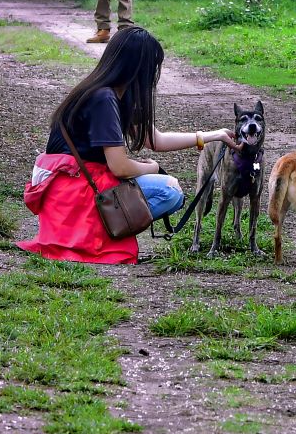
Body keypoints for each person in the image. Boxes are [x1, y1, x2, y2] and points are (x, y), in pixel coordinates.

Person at [19, 26, 221, 264]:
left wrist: (213, 135)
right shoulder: (104, 99)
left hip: (69, 189)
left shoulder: (108, 92)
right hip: (75, 192)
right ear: (139, 68)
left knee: (168, 189)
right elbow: (120, 167)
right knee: (170, 191)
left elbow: (154, 139)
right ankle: (102, 232)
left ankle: (97, 229)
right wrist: (152, 167)